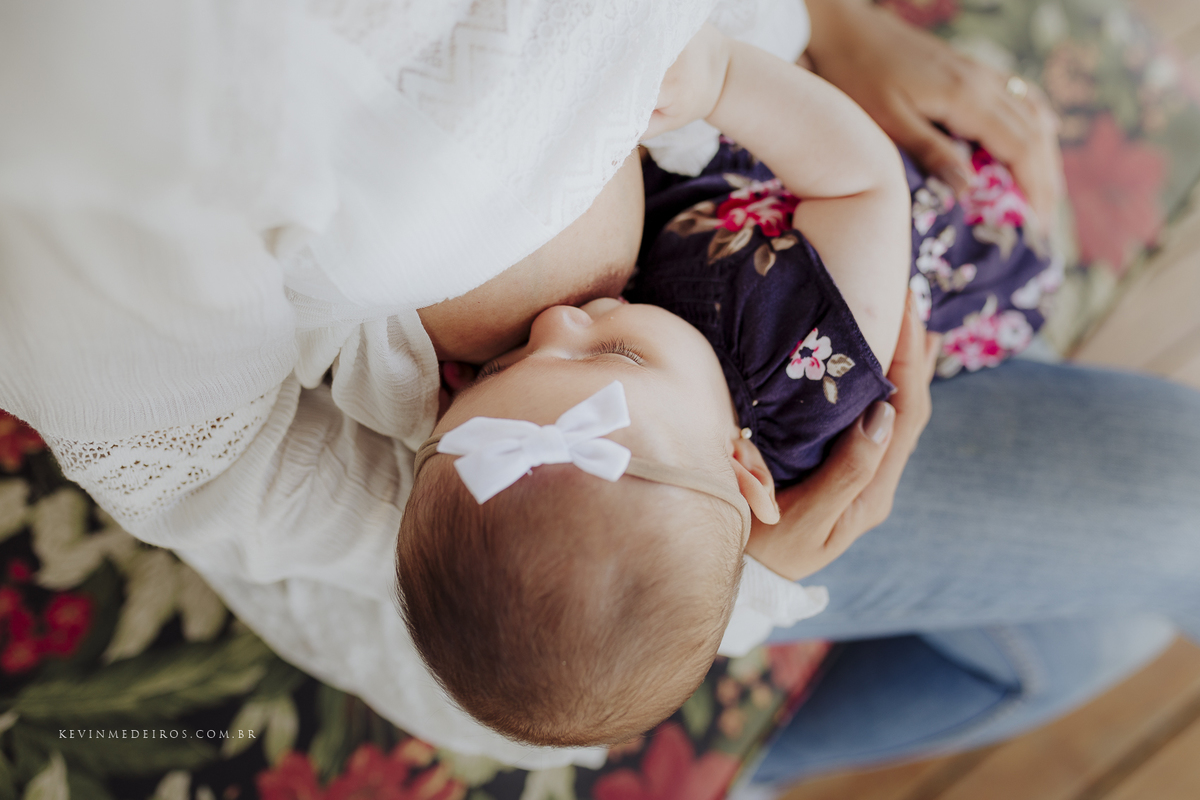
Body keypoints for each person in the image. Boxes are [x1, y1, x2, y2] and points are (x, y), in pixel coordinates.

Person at [1, 0, 1195, 785]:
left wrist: (825, 22)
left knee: (1107, 612)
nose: (558, 324)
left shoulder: (633, 401)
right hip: (640, 537)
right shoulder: (105, 124)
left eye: (503, 368)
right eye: (516, 364)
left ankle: (761, 765)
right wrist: (733, 577)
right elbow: (222, 467)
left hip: (752, 179)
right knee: (1159, 537)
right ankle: (760, 761)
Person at [395, 24, 1050, 751]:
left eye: (501, 368)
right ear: (744, 467)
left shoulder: (653, 421)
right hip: (943, 221)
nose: (555, 322)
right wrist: (725, 80)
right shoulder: (798, 359)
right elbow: (864, 182)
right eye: (615, 354)